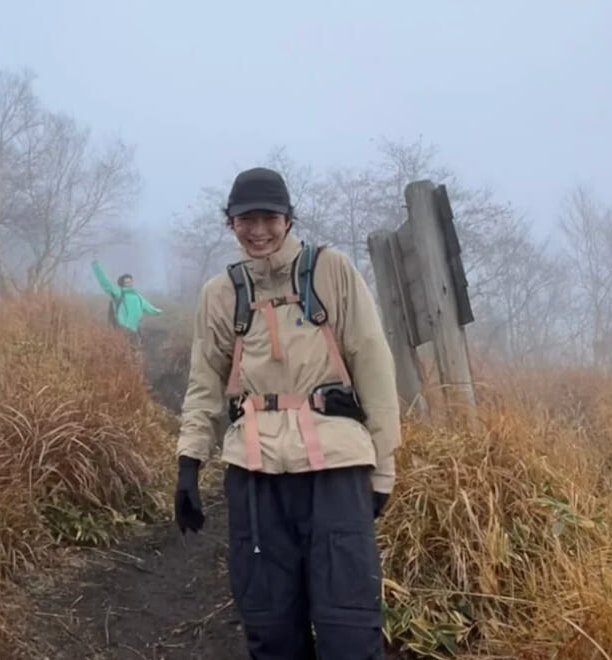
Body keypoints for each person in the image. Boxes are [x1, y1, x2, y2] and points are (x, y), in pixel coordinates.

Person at [173, 166, 401, 659]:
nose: (258, 231)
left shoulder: (331, 270)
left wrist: (384, 468)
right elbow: (205, 382)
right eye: (244, 219)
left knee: (349, 627)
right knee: (270, 627)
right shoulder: (221, 293)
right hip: (255, 476)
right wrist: (189, 462)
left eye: (269, 218)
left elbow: (373, 363)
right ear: (230, 223)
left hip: (335, 470)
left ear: (289, 218)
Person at [90, 261, 162, 345]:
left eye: (130, 281)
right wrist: (96, 267)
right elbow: (105, 283)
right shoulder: (119, 292)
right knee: (126, 349)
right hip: (123, 328)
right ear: (122, 284)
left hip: (135, 329)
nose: (129, 284)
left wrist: (158, 311)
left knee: (134, 349)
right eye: (127, 282)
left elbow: (148, 307)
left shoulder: (137, 296)